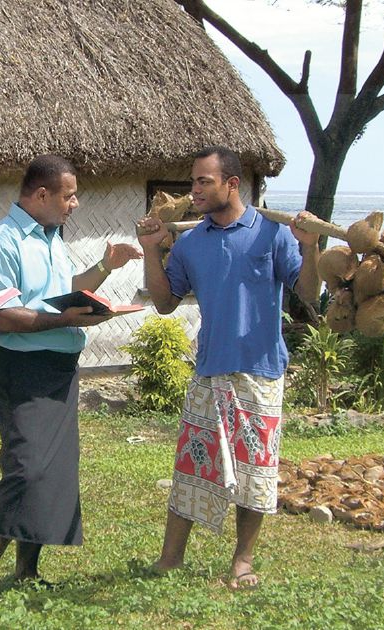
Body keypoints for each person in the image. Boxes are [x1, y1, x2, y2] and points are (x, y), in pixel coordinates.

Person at [136, 146, 320, 590]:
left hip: (261, 370)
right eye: (194, 181)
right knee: (192, 466)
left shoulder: (271, 234)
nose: (194, 189)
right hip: (209, 371)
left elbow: (309, 292)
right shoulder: (192, 243)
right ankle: (170, 558)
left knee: (256, 473)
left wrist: (310, 248)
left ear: (231, 184)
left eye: (204, 181)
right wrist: (150, 251)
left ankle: (243, 560)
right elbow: (164, 304)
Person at [0, 154, 142, 593]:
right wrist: (65, 320)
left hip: (60, 368)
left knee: (54, 473)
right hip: (23, 368)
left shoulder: (51, 239)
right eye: (69, 195)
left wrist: (106, 267)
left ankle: (27, 571)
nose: (75, 204)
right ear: (41, 194)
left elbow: (63, 296)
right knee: (25, 468)